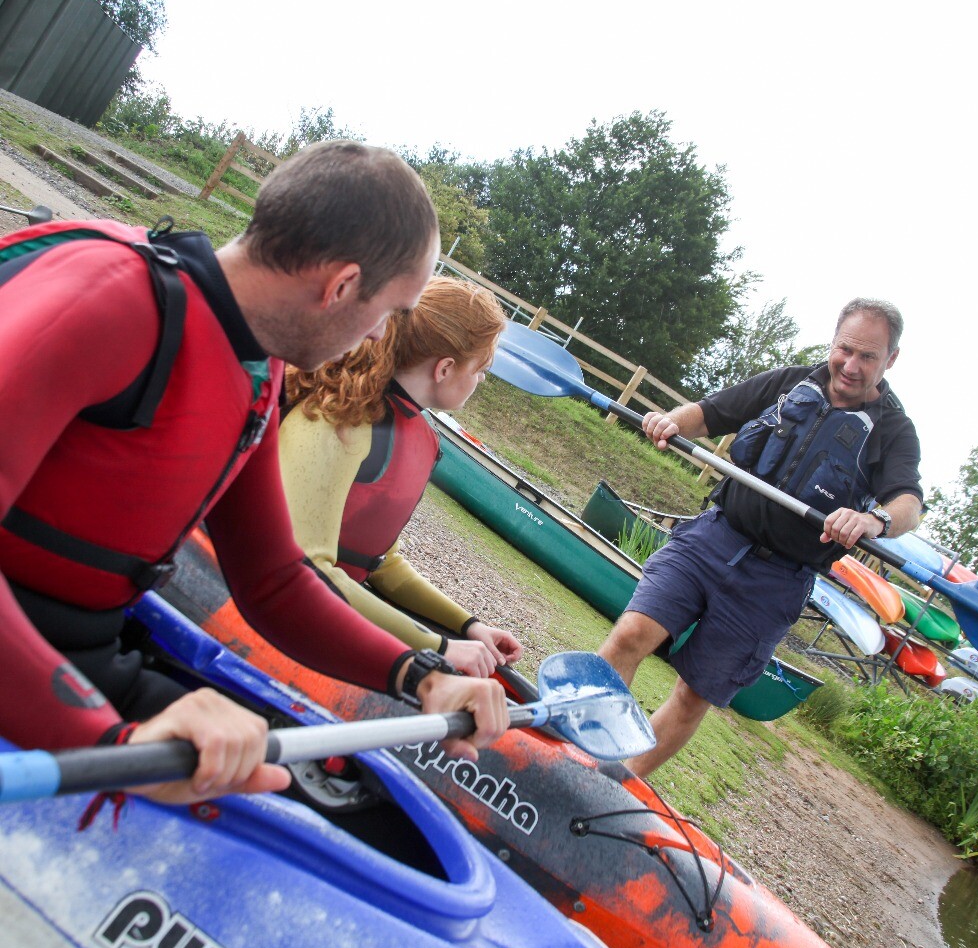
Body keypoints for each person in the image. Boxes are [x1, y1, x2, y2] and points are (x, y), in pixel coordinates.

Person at [0, 140, 508, 806]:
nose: (378, 337)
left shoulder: (256, 366)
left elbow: (272, 580)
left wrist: (420, 676)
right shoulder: (111, 301)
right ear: (342, 286)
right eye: (388, 313)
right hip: (34, 659)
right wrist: (108, 746)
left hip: (77, 651)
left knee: (319, 807)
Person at [598, 298, 923, 778]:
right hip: (713, 537)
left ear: (890, 360)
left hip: (777, 581)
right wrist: (673, 421)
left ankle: (613, 784)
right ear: (832, 341)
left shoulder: (895, 432)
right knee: (630, 634)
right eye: (845, 350)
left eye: (868, 357)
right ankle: (577, 748)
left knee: (694, 695)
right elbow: (709, 413)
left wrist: (874, 520)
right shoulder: (789, 383)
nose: (851, 366)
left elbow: (908, 504)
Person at [280, 276, 523, 677]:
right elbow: (307, 569)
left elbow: (379, 562)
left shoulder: (411, 430)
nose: (481, 380)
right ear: (445, 368)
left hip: (330, 611)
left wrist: (468, 626)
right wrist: (438, 646)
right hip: (284, 611)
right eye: (482, 369)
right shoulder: (341, 418)